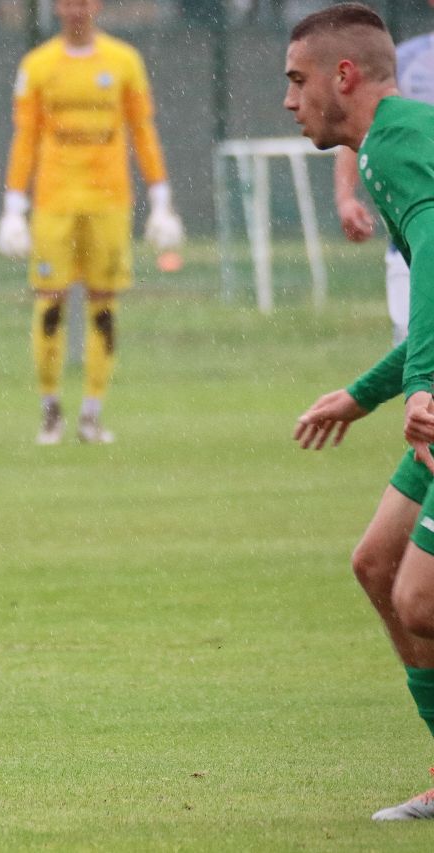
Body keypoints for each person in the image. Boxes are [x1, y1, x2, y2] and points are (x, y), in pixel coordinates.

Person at [288, 2, 434, 821]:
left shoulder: (392, 146)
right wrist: (367, 390)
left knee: (422, 598)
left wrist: (423, 386)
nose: (289, 100)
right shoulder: (400, 142)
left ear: (343, 76)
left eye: (296, 79)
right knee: (379, 564)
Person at [0, 0, 183, 445]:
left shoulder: (123, 61)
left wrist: (161, 199)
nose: (75, 10)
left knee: (103, 303)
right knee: (50, 301)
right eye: (67, 2)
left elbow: (142, 129)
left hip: (109, 200)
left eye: (83, 1)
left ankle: (92, 414)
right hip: (55, 202)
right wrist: (13, 207)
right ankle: (50, 410)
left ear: (96, 5)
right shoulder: (37, 65)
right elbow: (25, 137)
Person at [332, 0, 434, 345]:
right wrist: (346, 197)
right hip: (413, 233)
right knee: (414, 342)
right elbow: (364, 125)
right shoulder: (406, 61)